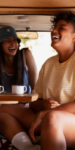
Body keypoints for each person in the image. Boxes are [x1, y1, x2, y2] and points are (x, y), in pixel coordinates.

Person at [28, 11, 75, 150]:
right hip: (51, 117)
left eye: (62, 27)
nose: (54, 30)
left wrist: (45, 113)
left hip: (66, 121)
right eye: (54, 27)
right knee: (3, 110)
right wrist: (44, 105)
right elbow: (34, 103)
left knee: (52, 118)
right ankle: (25, 144)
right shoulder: (48, 64)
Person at [0, 26, 39, 150]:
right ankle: (28, 147)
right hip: (4, 112)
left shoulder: (25, 54)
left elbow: (36, 88)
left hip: (24, 109)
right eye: (7, 41)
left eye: (15, 40)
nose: (13, 43)